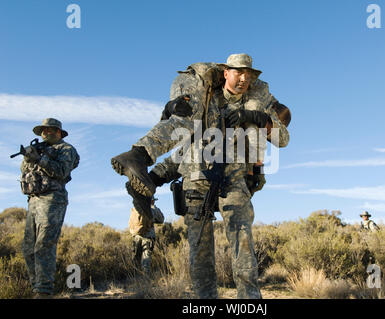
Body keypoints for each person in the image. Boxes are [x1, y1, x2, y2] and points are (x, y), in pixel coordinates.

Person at [112, 54, 290, 298]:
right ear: (225, 72)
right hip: (198, 176)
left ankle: (249, 300)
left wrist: (257, 118)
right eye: (239, 72)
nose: (244, 79)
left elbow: (283, 139)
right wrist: (171, 108)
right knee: (200, 254)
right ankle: (138, 155)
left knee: (243, 244)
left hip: (235, 179)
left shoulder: (256, 101)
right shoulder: (203, 97)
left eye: (249, 74)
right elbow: (177, 132)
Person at [20, 118, 80, 298]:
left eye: (51, 130)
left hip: (53, 199)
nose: (46, 133)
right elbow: (25, 170)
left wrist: (40, 159)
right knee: (28, 248)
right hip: (33, 200)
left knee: (44, 244)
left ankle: (44, 291)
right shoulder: (39, 148)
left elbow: (62, 171)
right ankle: (36, 288)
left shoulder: (66, 149)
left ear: (59, 132)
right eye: (43, 131)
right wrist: (29, 157)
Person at [127, 182, 164, 274]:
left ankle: (134, 279)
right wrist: (153, 206)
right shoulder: (153, 209)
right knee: (145, 261)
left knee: (135, 259)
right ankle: (145, 281)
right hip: (148, 237)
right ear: (151, 200)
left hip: (136, 236)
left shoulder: (136, 208)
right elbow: (161, 219)